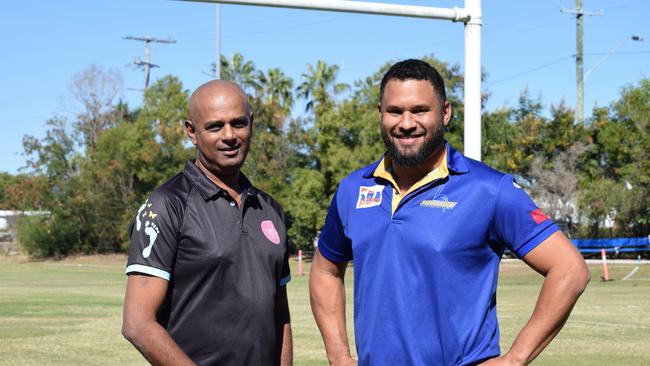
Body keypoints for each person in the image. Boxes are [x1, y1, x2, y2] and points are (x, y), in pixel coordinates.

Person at [310, 59, 590, 366]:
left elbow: (570, 269)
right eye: (394, 111)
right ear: (380, 113)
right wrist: (338, 356)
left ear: (445, 112)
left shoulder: (489, 190)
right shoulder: (353, 189)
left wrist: (515, 358)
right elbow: (325, 271)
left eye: (420, 110)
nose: (406, 123)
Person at [122, 80, 292, 366]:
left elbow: (280, 316)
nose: (230, 136)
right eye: (215, 126)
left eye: (238, 123)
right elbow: (137, 324)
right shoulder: (166, 204)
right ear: (192, 131)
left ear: (251, 123)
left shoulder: (270, 210)